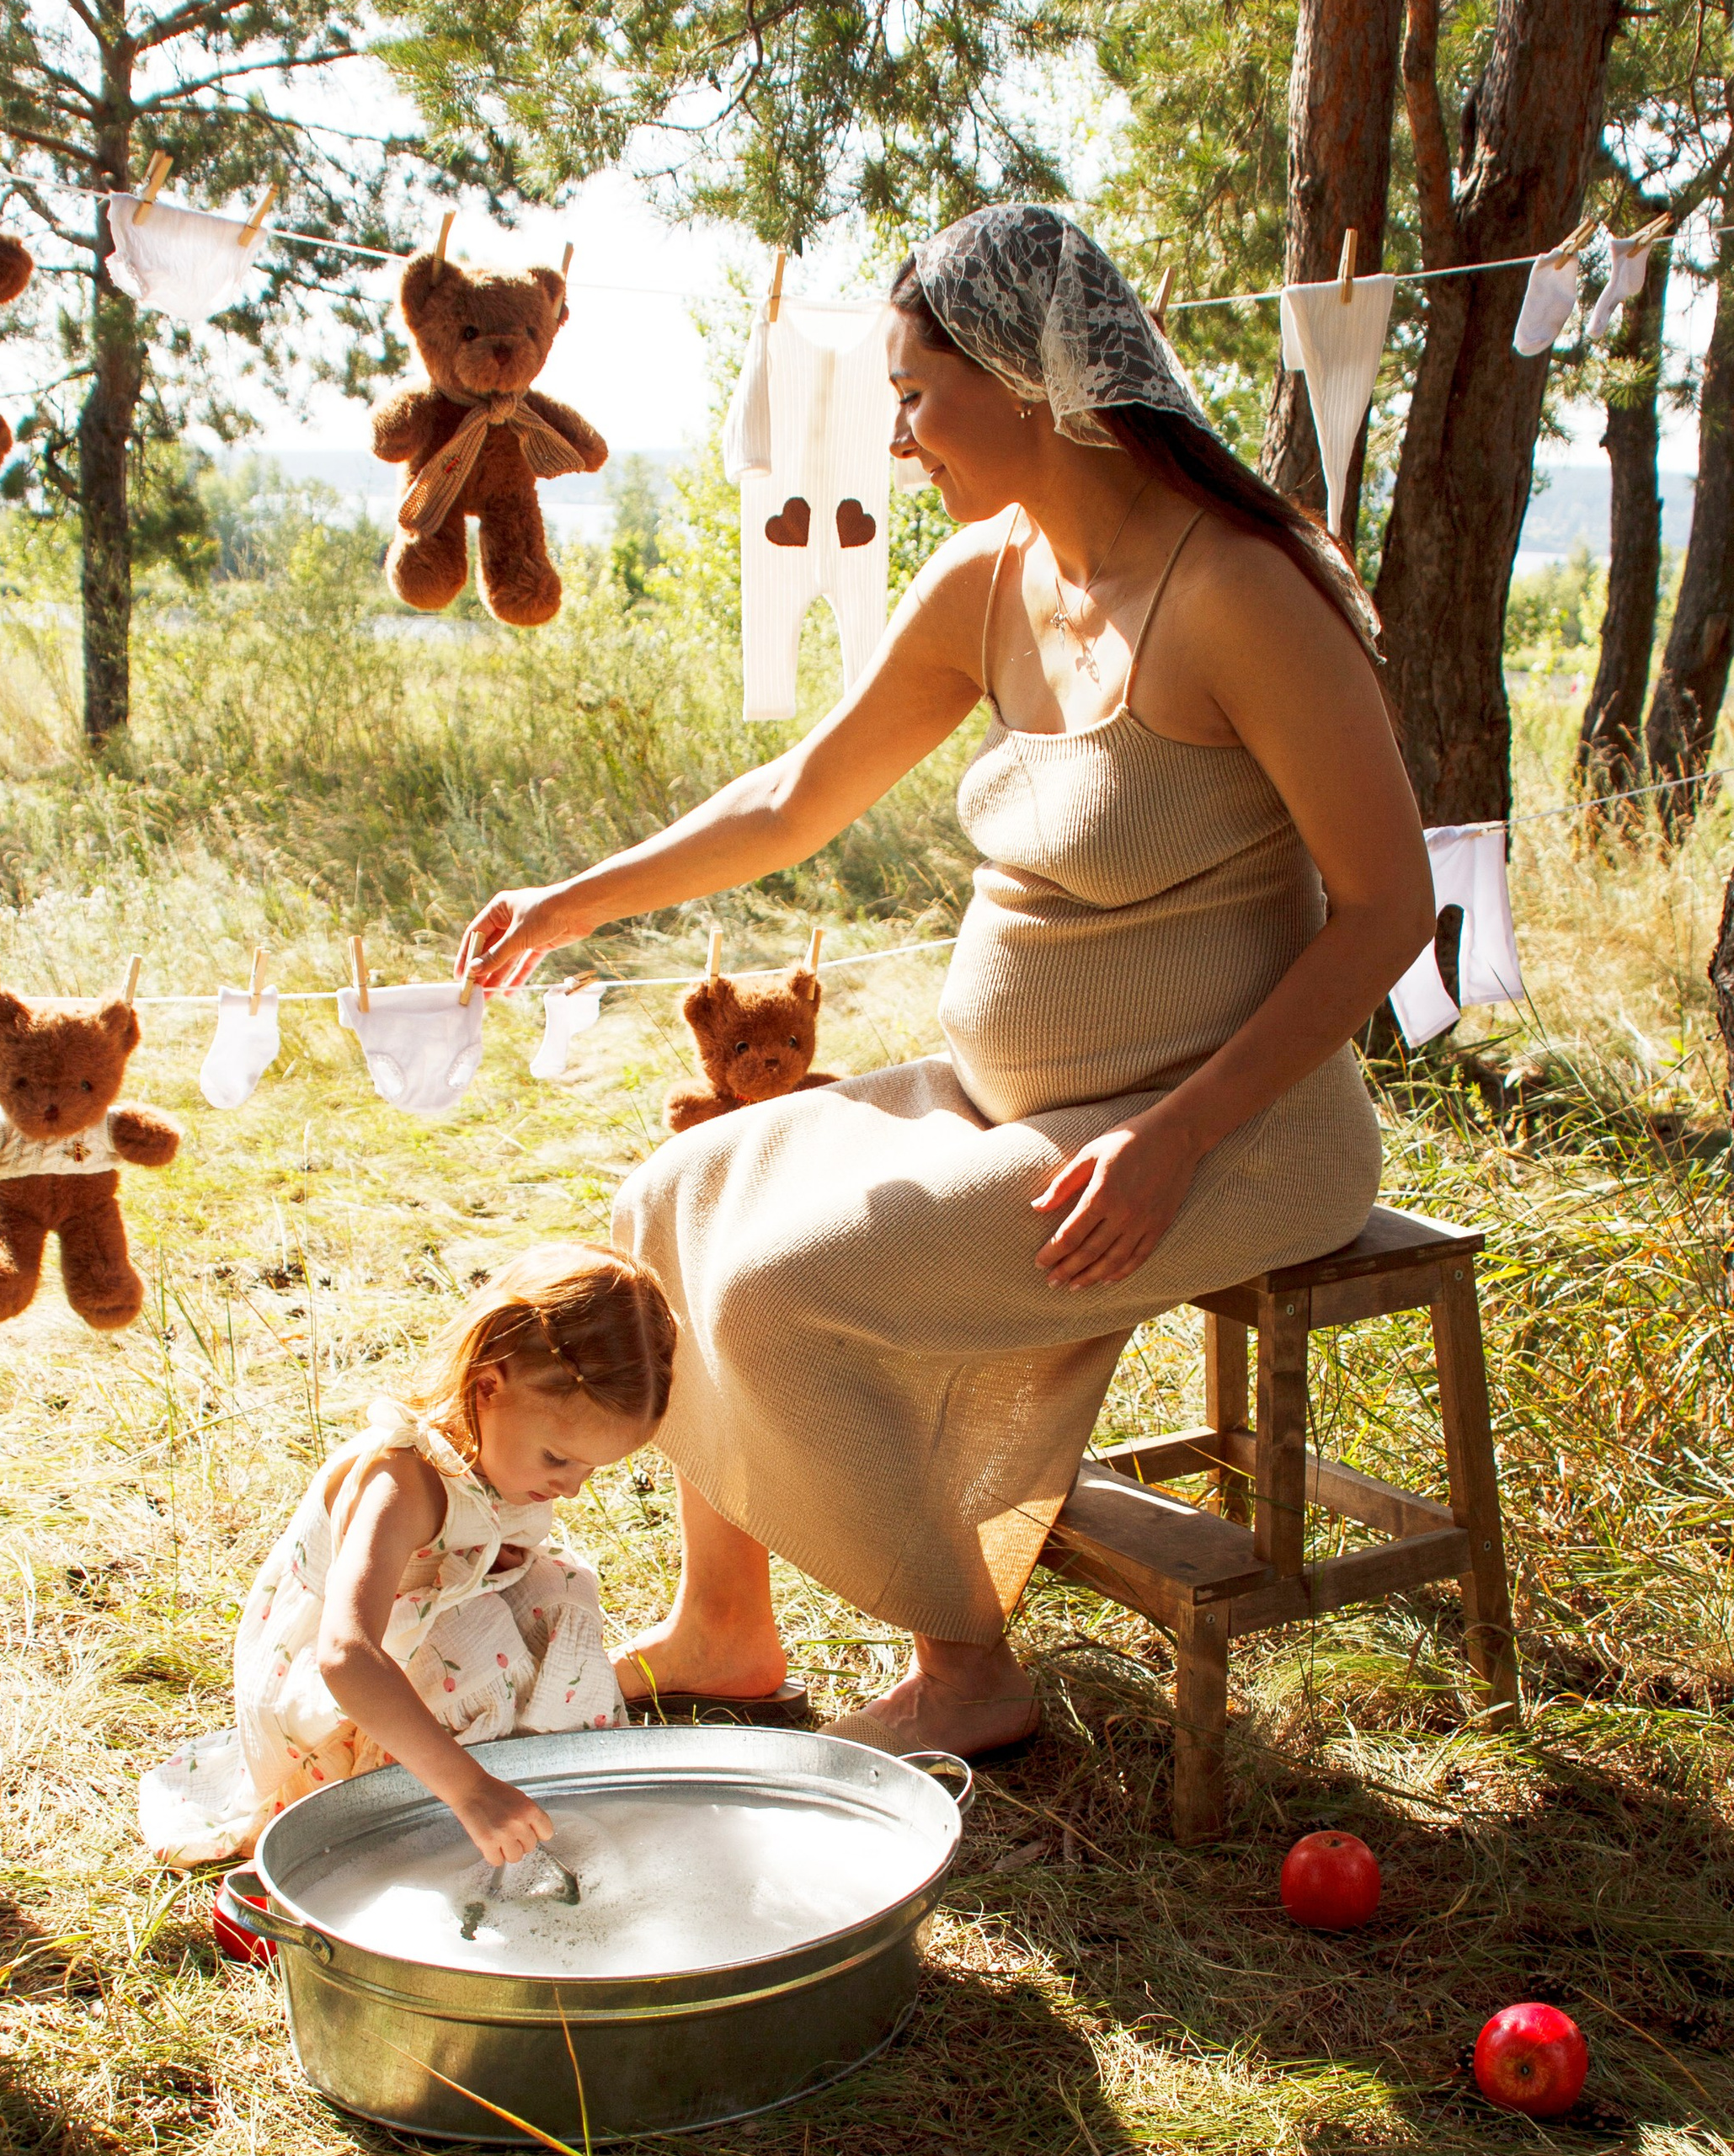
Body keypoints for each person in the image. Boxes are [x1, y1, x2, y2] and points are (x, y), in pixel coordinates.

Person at [454, 205, 1436, 1764]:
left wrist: (1176, 1137)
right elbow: (796, 797)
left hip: (1230, 1134)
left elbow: (1392, 908)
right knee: (671, 1199)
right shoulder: (993, 575)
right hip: (1016, 1101)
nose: (900, 438)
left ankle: (966, 1667)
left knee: (783, 1288)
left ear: (1031, 380)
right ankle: (727, 1628)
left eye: (915, 394)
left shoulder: (1242, 594)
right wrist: (573, 902)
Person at [139, 1242, 675, 1868]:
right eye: (558, 1459)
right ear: (487, 1386)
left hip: (428, 1635)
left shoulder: (506, 1458)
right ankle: (446, 1818)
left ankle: (550, 1786)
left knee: (564, 1594)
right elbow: (344, 1655)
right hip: (347, 1705)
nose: (571, 1486)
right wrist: (468, 1788)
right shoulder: (404, 1482)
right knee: (478, 1650)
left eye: (592, 1469)